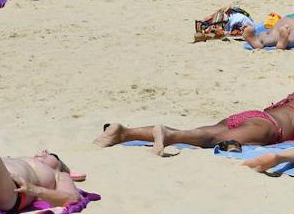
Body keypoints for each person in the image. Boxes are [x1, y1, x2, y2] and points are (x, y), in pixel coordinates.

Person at [95, 91, 294, 157]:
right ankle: (168, 135)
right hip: (269, 128)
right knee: (211, 139)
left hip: (254, 115)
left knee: (198, 134)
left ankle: (124, 133)